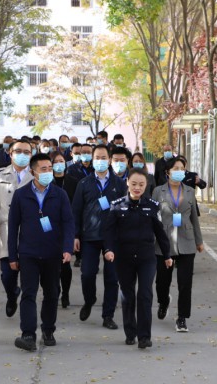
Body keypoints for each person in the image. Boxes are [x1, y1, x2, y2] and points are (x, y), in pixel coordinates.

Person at [8, 153, 75, 351]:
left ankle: (48, 329)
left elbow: (68, 222)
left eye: (50, 168)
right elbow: (13, 227)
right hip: (28, 253)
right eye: (43, 169)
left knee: (52, 293)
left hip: (53, 253)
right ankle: (28, 334)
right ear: (33, 171)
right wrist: (13, 255)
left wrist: (67, 248)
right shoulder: (21, 195)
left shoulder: (59, 194)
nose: (47, 172)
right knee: (28, 293)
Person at [103, 169, 172, 348]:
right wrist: (109, 249)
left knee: (145, 294)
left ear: (146, 185)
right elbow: (109, 231)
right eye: (134, 184)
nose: (137, 187)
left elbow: (160, 233)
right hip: (123, 258)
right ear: (127, 183)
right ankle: (130, 332)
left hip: (146, 258)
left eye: (141, 184)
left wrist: (167, 254)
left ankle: (144, 336)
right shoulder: (117, 206)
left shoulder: (152, 206)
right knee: (127, 295)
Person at [72, 144, 127, 330]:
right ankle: (89, 300)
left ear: (109, 160)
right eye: (97, 157)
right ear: (92, 159)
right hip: (89, 237)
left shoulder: (119, 184)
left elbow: (125, 211)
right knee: (87, 274)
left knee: (112, 278)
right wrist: (75, 235)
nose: (101, 161)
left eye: (104, 157)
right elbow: (76, 211)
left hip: (112, 238)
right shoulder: (84, 183)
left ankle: (108, 315)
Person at [0, 139, 34, 317]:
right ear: (10, 154)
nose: (22, 155)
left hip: (31, 232)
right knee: (7, 276)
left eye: (27, 152)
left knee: (28, 277)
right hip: (7, 231)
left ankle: (27, 314)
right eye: (18, 151)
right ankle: (12, 295)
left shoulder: (36, 175)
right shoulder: (1, 175)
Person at [152, 157, 204, 333]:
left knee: (185, 282)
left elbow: (194, 218)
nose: (179, 171)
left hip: (186, 239)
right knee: (162, 281)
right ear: (167, 171)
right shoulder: (158, 191)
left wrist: (199, 241)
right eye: (176, 168)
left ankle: (182, 318)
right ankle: (163, 301)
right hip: (164, 241)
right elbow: (152, 218)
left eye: (182, 168)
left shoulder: (190, 191)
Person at [50, 151, 79, 308]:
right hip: (50, 227)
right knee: (52, 263)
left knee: (65, 263)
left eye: (61, 161)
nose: (59, 164)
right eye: (56, 161)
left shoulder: (73, 181)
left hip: (67, 226)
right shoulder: (46, 181)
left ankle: (65, 294)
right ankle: (55, 290)